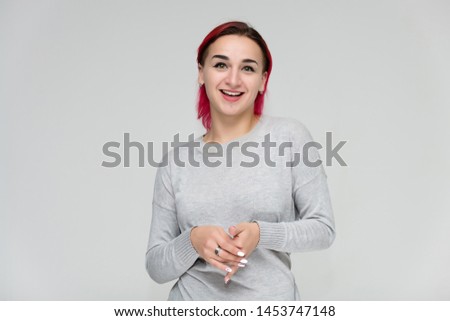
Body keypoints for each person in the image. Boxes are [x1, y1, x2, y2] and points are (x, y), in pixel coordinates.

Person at [145, 21, 335, 300]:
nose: (233, 80)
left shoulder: (289, 137)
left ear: (263, 80)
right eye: (221, 65)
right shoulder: (176, 163)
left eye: (247, 68)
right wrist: (193, 241)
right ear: (201, 73)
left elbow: (323, 229)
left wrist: (261, 233)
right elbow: (155, 265)